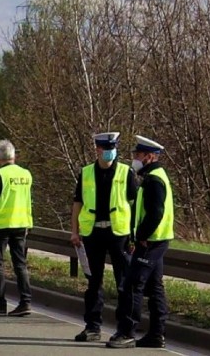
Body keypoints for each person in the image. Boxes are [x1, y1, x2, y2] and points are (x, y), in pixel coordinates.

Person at [108, 135, 173, 349]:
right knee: (155, 287)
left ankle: (126, 332)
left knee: (132, 284)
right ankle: (156, 334)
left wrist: (142, 236)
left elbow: (156, 212)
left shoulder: (154, 179)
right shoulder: (154, 176)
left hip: (151, 241)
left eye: (138, 154)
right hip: (157, 240)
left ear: (150, 156)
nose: (134, 158)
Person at [70, 132, 137, 342]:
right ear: (98, 149)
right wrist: (74, 231)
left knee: (124, 283)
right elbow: (77, 203)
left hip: (119, 234)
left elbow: (136, 206)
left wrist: (134, 235)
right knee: (93, 282)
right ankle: (92, 326)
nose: (110, 151)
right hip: (93, 233)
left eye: (113, 147)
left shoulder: (127, 173)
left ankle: (125, 329)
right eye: (107, 148)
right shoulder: (86, 172)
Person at [0, 139, 33, 317]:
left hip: (2, 224)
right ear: (14, 156)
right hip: (22, 224)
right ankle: (25, 302)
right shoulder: (26, 174)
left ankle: (0, 303)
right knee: (20, 264)